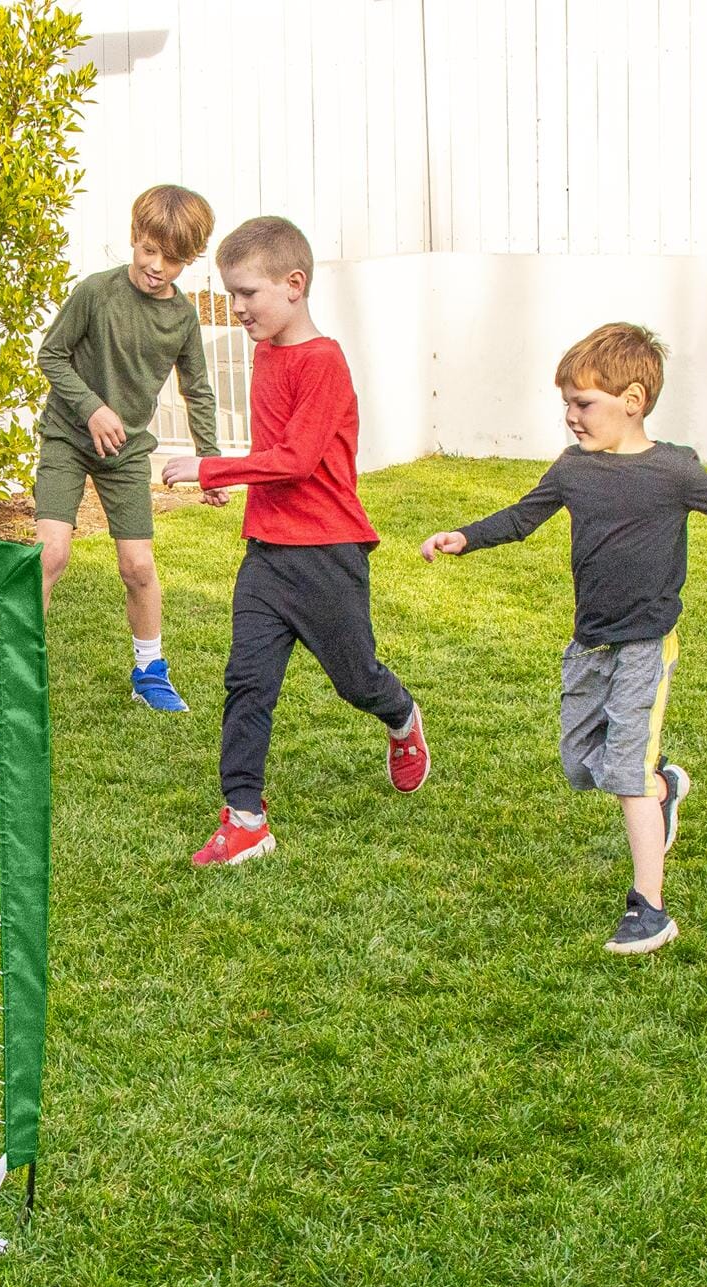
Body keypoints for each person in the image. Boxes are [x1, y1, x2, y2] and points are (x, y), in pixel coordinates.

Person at [421, 323, 707, 954]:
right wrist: (465, 536)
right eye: (566, 403)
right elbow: (522, 516)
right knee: (579, 761)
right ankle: (664, 787)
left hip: (646, 641)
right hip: (589, 641)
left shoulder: (674, 470)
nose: (571, 417)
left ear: (633, 400)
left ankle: (649, 908)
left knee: (624, 771)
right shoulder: (573, 470)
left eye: (583, 403)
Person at [162, 215, 430, 866]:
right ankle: (245, 818)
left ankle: (401, 717)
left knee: (355, 679)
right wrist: (232, 481)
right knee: (247, 681)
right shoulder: (265, 352)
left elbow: (298, 459)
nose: (238, 308)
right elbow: (273, 453)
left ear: (293, 283)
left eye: (247, 294)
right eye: (231, 295)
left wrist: (212, 467)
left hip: (328, 553)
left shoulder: (324, 361)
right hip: (267, 554)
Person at [31, 183, 229, 715]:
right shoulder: (96, 292)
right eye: (149, 250)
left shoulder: (182, 318)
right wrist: (92, 408)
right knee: (50, 554)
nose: (157, 266)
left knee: (138, 566)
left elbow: (198, 388)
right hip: (68, 439)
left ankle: (149, 671)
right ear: (134, 238)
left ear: (190, 259)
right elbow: (51, 355)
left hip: (126, 452)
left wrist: (208, 462)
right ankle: (15, 677)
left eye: (174, 258)